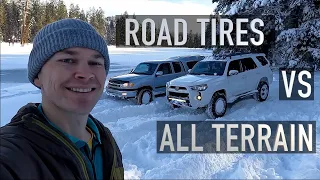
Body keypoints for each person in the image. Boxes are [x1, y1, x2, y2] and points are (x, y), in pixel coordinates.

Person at [0, 18, 124, 180]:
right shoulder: (12, 157)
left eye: (95, 62)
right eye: (68, 60)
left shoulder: (104, 140)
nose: (85, 73)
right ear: (38, 76)